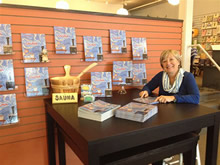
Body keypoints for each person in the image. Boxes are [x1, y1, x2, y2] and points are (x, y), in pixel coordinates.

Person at [139, 50, 200, 165]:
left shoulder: (188, 77)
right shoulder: (161, 76)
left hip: (185, 120)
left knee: (156, 138)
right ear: (162, 64)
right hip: (166, 120)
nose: (168, 63)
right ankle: (160, 156)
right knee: (151, 134)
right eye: (164, 61)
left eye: (171, 59)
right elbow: (148, 86)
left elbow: (196, 98)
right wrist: (145, 91)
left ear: (178, 62)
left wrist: (173, 98)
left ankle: (161, 155)